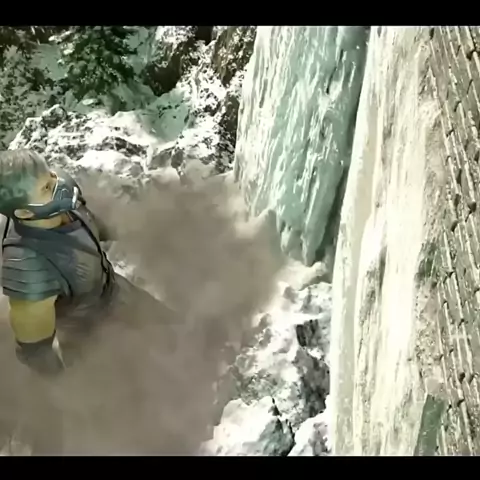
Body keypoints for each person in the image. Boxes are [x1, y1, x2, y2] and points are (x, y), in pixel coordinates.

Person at [0, 148, 177, 378]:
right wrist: (63, 382)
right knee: (153, 382)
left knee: (180, 336)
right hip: (93, 336)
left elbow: (92, 222)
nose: (58, 183)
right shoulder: (29, 266)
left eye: (51, 174)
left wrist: (133, 231)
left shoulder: (62, 196)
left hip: (117, 291)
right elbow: (35, 346)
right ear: (24, 213)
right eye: (47, 188)